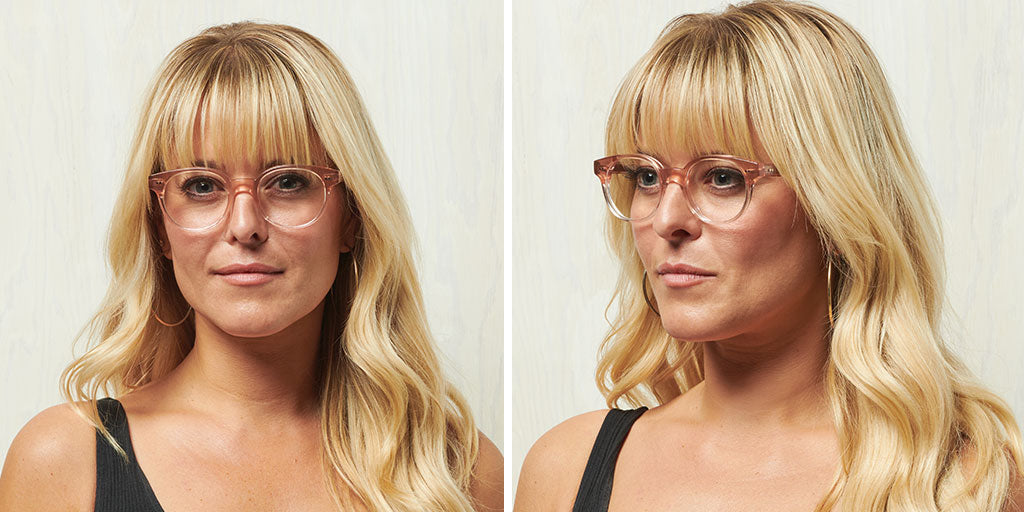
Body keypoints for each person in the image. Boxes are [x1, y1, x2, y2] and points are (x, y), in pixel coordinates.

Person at [515, 1, 1022, 510]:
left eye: (722, 177)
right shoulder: (564, 469)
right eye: (647, 176)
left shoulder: (967, 483)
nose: (667, 219)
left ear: (834, 203)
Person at [0, 22, 502, 511]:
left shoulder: (459, 472)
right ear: (159, 227)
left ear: (352, 217)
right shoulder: (63, 462)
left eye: (288, 181)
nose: (245, 226)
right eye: (201, 186)